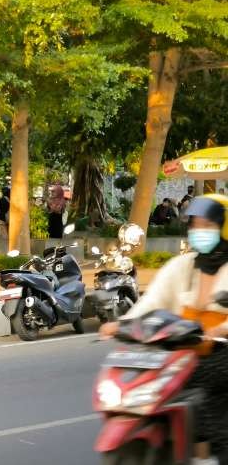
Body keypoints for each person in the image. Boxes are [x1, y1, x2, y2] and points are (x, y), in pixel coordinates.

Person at [100, 195, 228, 464]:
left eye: (207, 225)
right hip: (182, 351)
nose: (199, 231)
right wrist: (121, 324)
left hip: (219, 353)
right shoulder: (181, 265)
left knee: (207, 397)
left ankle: (206, 456)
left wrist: (222, 329)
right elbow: (152, 301)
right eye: (194, 225)